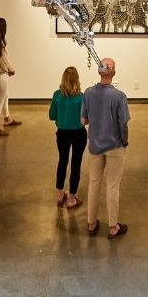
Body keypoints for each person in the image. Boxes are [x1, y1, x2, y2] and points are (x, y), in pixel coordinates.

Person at [81, 57, 131, 238]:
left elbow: (83, 120)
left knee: (93, 184)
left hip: (95, 145)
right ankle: (112, 227)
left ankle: (91, 223)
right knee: (112, 186)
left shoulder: (88, 93)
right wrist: (124, 142)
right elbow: (123, 124)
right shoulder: (119, 96)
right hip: (114, 146)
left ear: (99, 71)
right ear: (113, 72)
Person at [50, 66, 85, 208]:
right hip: (78, 134)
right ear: (77, 80)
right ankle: (72, 198)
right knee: (76, 165)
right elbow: (85, 118)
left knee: (62, 162)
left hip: (62, 134)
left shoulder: (57, 95)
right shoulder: (81, 98)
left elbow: (51, 115)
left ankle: (59, 195)